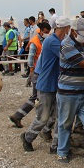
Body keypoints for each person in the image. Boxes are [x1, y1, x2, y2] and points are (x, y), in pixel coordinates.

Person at [20, 16, 71, 153]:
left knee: (57, 116)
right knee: (43, 117)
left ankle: (56, 145)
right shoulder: (52, 41)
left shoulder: (56, 40)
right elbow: (67, 57)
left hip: (55, 84)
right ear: (66, 28)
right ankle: (27, 137)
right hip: (47, 85)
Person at [56, 18, 84, 166]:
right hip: (67, 93)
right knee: (65, 123)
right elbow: (83, 63)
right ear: (73, 31)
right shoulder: (66, 45)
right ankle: (62, 152)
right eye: (82, 34)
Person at [9, 22, 51, 128]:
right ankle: (32, 119)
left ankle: (18, 115)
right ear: (41, 31)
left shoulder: (43, 40)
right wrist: (31, 72)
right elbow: (30, 59)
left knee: (35, 96)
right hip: (38, 72)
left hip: (40, 72)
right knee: (37, 97)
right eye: (45, 32)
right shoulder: (35, 42)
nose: (47, 34)